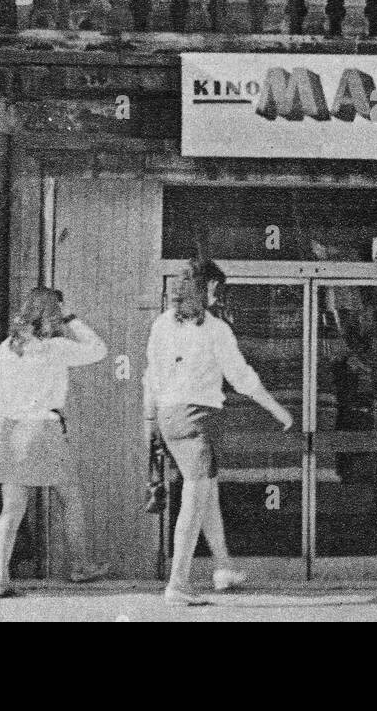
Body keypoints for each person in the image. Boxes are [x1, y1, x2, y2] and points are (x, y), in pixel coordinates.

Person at [144, 259, 294, 605]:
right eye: (214, 288)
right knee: (195, 500)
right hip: (198, 417)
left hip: (169, 415)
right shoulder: (215, 328)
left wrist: (151, 423)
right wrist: (277, 409)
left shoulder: (161, 324)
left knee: (207, 492)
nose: (217, 295)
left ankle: (223, 566)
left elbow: (150, 376)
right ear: (204, 289)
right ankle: (177, 584)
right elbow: (241, 377)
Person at [0, 287, 110, 598]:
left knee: (12, 510)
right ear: (51, 315)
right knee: (71, 500)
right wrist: (70, 318)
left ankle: (0, 578)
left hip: (12, 431)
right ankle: (81, 566)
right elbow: (99, 349)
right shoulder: (56, 348)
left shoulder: (6, 348)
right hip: (45, 429)